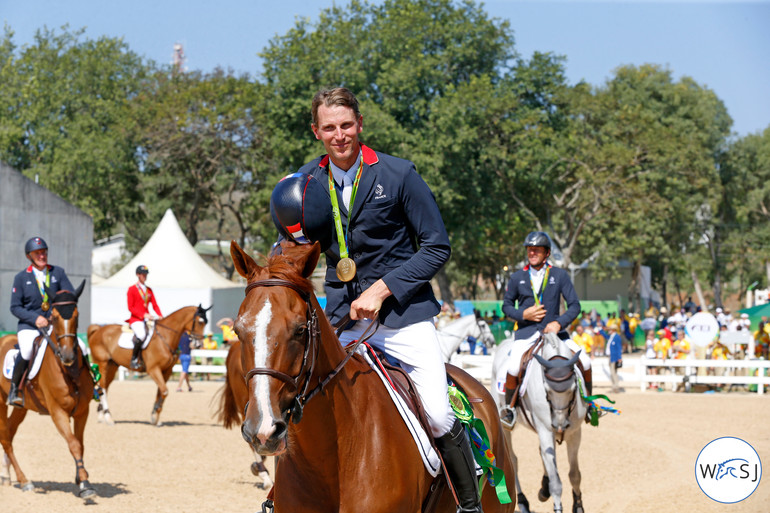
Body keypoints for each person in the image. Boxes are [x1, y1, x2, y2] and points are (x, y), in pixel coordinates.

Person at [277, 87, 481, 512]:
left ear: (360, 125)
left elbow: (436, 246)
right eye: (329, 128)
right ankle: (283, 495)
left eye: (346, 125)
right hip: (338, 320)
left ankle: (469, 505)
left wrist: (382, 288)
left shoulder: (399, 174)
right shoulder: (305, 182)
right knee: (292, 399)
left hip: (403, 319)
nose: (340, 136)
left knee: (440, 415)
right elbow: (291, 244)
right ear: (316, 131)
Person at [500, 231, 592, 422]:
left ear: (547, 253)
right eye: (529, 250)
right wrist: (523, 314)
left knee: (586, 361)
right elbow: (506, 306)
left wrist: (559, 323)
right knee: (514, 367)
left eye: (537, 250)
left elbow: (575, 306)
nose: (532, 253)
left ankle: (589, 406)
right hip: (526, 334)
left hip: (556, 334)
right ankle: (510, 410)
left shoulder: (559, 275)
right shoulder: (518, 277)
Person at [8, 237, 75, 407]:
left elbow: (69, 295)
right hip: (30, 326)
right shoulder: (21, 278)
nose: (42, 255)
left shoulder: (57, 273)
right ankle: (15, 390)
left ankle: (92, 385)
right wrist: (34, 318)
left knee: (78, 345)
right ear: (29, 256)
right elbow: (15, 307)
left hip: (54, 325)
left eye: (44, 252)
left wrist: (57, 314)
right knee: (27, 350)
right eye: (37, 253)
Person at [126, 265, 163, 372]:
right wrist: (143, 315)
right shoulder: (132, 289)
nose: (145, 276)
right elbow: (130, 307)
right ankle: (133, 359)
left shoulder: (149, 290)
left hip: (148, 319)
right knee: (141, 335)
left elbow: (155, 305)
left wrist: (160, 315)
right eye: (143, 274)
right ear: (138, 275)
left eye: (146, 274)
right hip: (136, 319)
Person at [606, 325, 623, 393]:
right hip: (611, 356)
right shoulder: (612, 336)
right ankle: (614, 386)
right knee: (612, 372)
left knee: (613, 372)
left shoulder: (616, 337)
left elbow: (619, 348)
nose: (609, 330)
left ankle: (615, 387)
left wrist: (619, 357)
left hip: (614, 357)